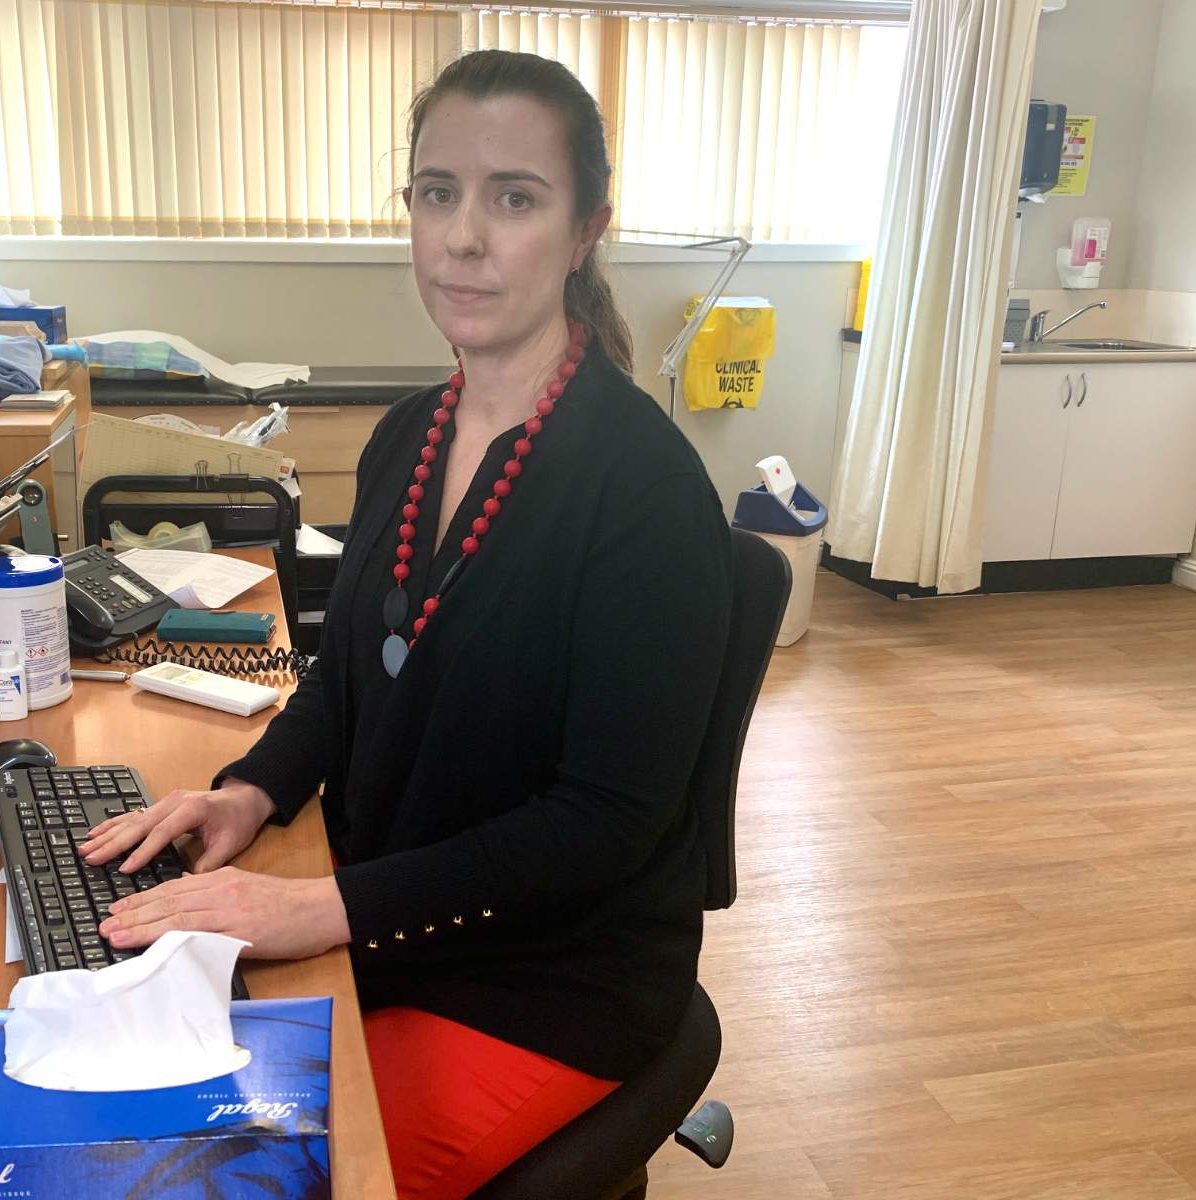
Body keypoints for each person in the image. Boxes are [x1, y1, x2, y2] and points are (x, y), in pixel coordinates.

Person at [81, 49, 733, 1199]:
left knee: (248, 1177)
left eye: (513, 198)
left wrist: (313, 906)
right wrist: (251, 791)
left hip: (542, 979)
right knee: (132, 1123)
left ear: (586, 229)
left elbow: (602, 824)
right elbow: (343, 681)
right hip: (390, 919)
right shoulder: (408, 436)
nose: (463, 237)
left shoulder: (645, 493)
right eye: (437, 192)